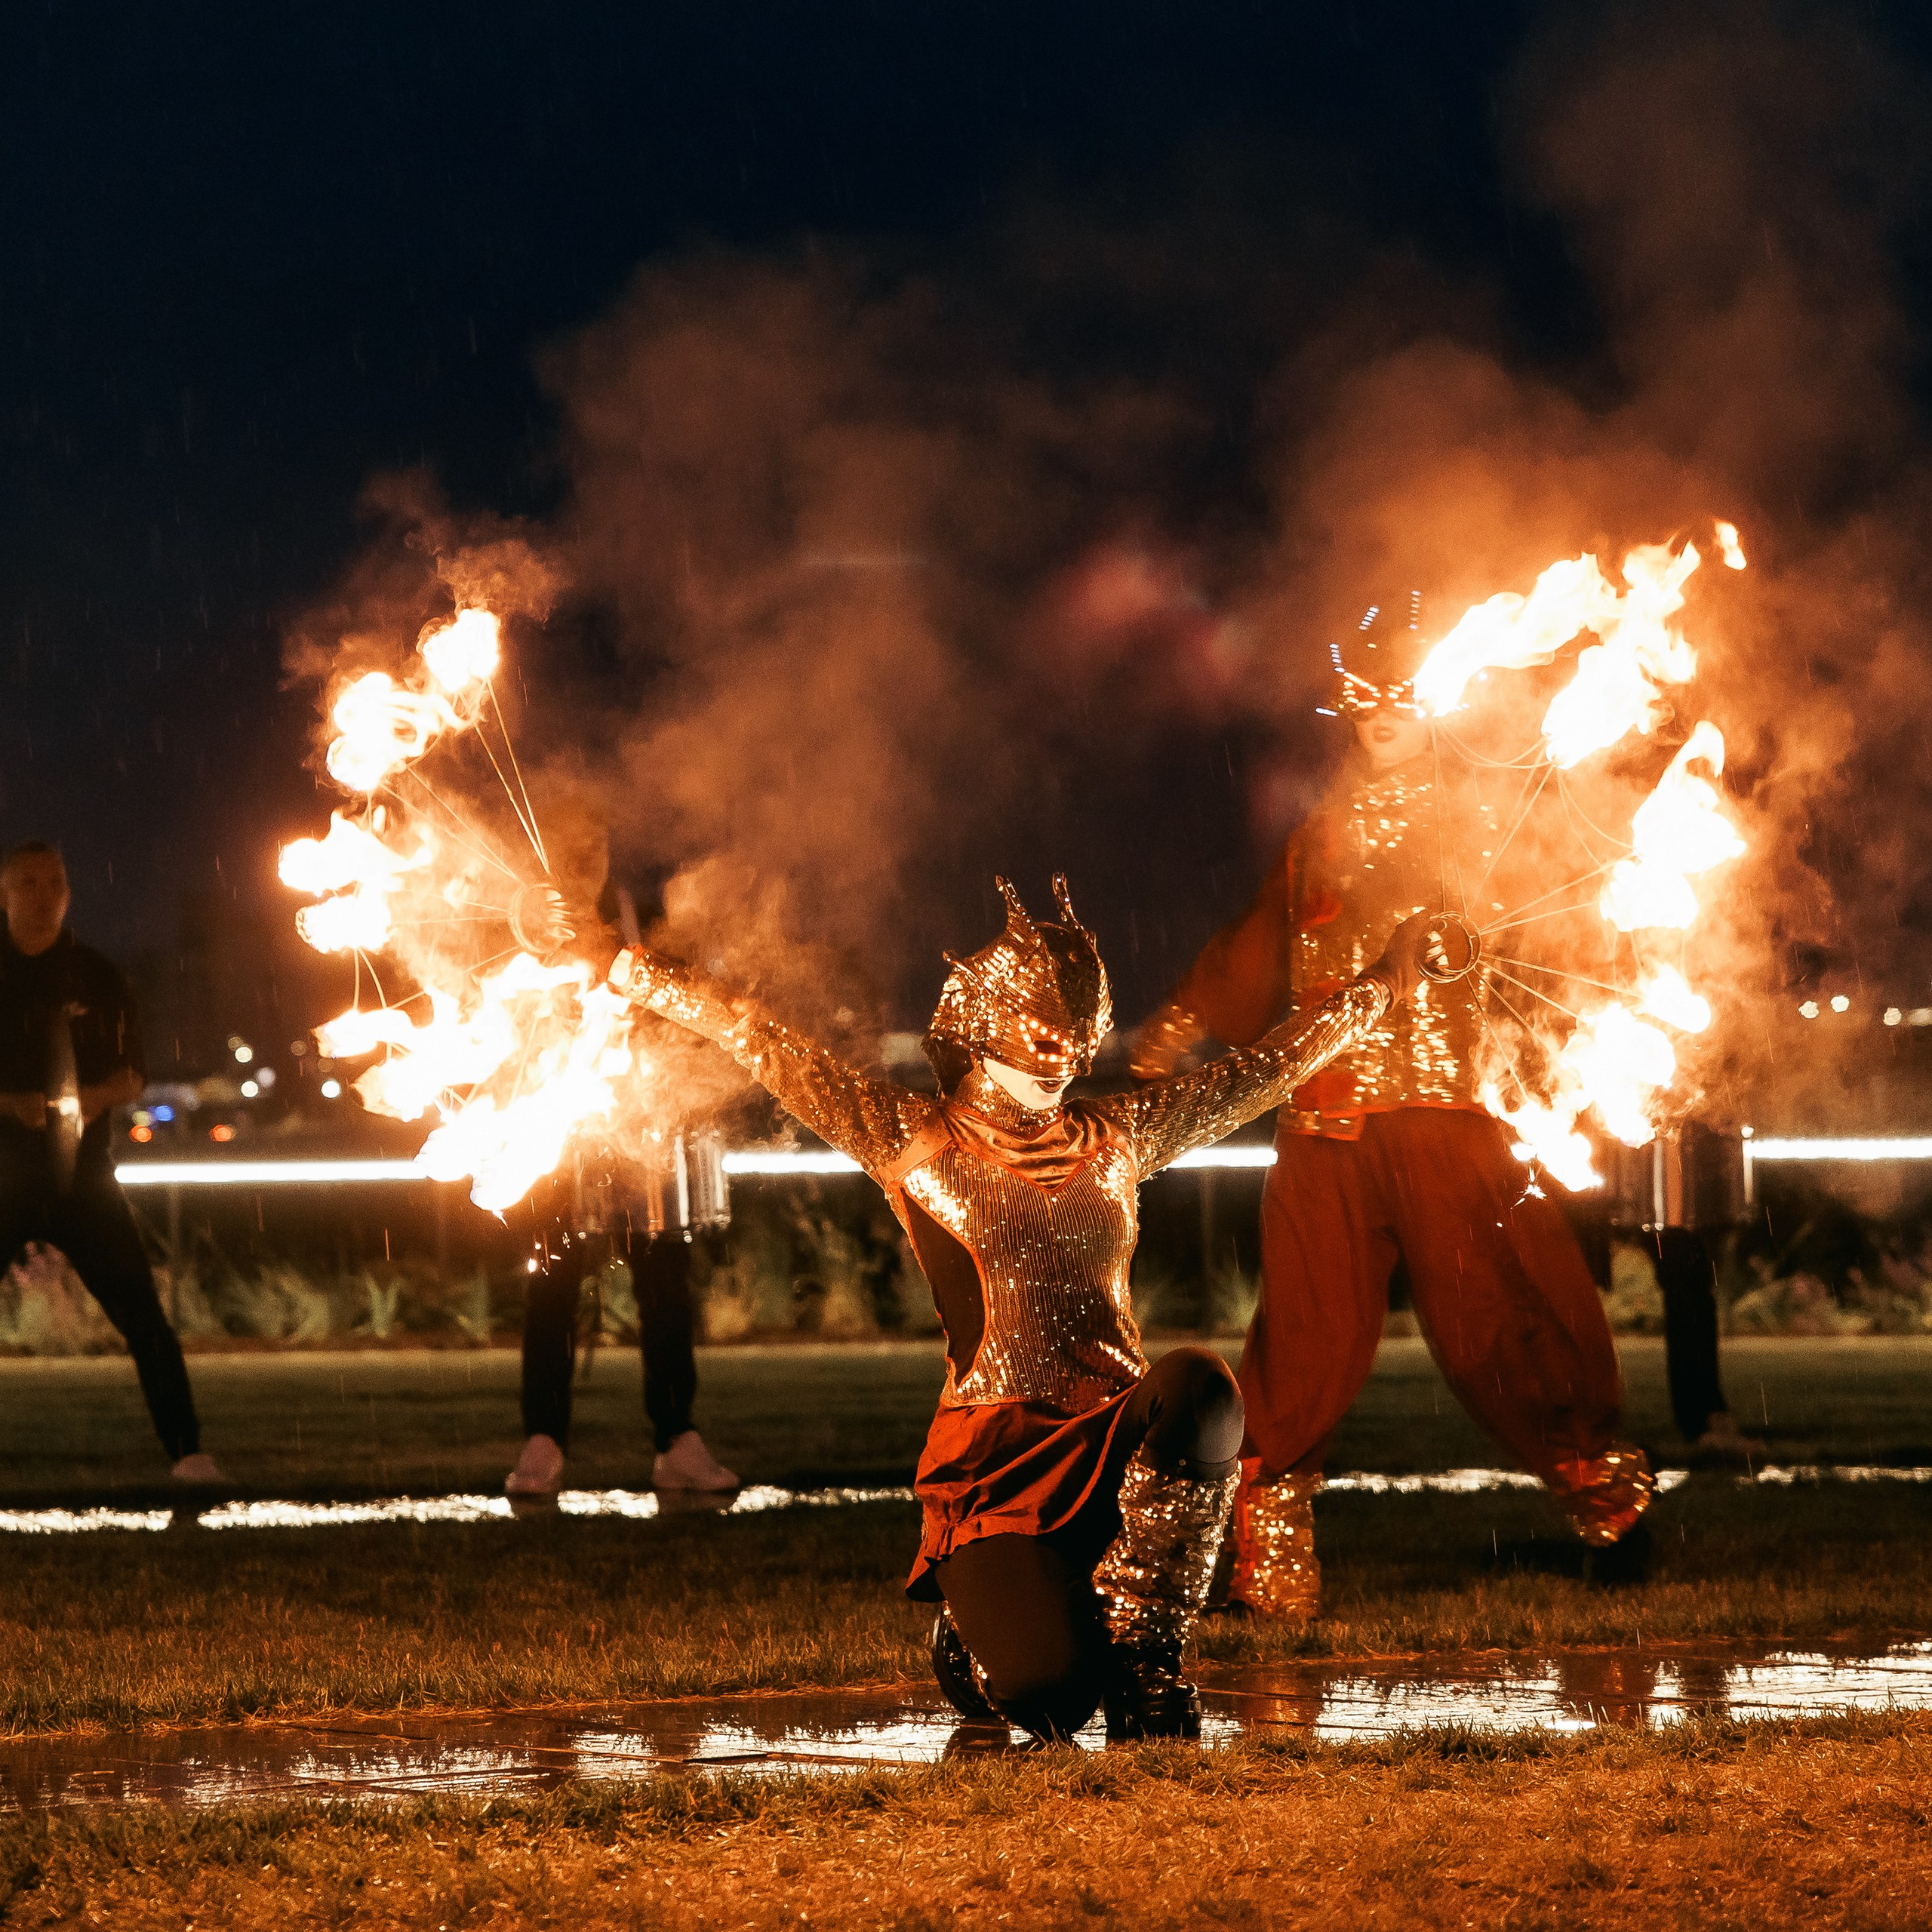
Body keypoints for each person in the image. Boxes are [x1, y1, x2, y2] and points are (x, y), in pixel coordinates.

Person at [608, 874, 1429, 1740]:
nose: (1063, 1065)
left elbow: (1265, 1068)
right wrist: (627, 969)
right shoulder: (913, 1136)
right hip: (995, 1467)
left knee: (1202, 1385)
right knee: (1055, 1699)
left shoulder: (1117, 1136)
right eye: (1042, 1041)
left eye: (1077, 1045)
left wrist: (1387, 979)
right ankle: (973, 1633)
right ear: (979, 1031)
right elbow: (763, 1037)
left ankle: (1148, 1660)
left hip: (1116, 1442)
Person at [1133, 601, 1656, 1623]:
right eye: (1362, 694)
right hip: (1325, 1117)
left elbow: (1535, 928)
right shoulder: (1320, 831)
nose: (1381, 710)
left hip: (1442, 1111)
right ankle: (1270, 1564)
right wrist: (1187, 1018)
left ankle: (1608, 1503)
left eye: (1401, 694)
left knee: (1499, 1316)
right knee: (1302, 1334)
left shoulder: (1479, 820)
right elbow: (1262, 941)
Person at [0, 840, 221, 1482]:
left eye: (55, 881)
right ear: (5, 895)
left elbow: (133, 1076)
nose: (44, 894)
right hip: (3, 1178)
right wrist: (10, 1105)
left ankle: (189, 1454)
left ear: (68, 893)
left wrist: (84, 1102)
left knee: (142, 1316)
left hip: (84, 1181)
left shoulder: (97, 976)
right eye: (28, 883)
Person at [505, 1130, 740, 1497]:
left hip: (645, 1133)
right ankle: (544, 1438)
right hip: (565, 1144)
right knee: (551, 1283)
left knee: (665, 1282)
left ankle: (676, 1439)